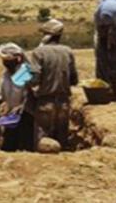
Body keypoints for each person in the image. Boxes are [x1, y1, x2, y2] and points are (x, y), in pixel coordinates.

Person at [29, 20, 79, 150]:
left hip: (46, 102)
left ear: (46, 35)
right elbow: (74, 79)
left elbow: (34, 79)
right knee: (61, 138)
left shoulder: (38, 52)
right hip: (64, 103)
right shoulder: (67, 51)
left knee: (42, 140)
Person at [0, 43, 36, 152]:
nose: (5, 63)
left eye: (8, 61)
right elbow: (1, 92)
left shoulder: (25, 72)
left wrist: (22, 106)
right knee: (9, 142)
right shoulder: (6, 74)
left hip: (26, 113)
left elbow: (30, 93)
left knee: (25, 141)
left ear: (17, 59)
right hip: (11, 114)